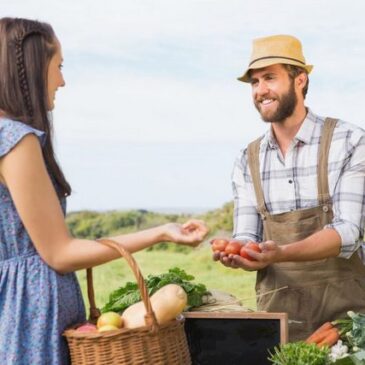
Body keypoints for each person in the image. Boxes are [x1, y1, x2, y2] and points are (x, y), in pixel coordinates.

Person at [0, 17, 208, 365]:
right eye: (58, 66)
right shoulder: (15, 140)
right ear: (33, 66)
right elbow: (59, 253)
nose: (62, 81)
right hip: (32, 317)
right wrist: (159, 233)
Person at [213, 34, 365, 341]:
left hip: (345, 322)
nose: (260, 90)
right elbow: (247, 234)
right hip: (279, 321)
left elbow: (348, 232)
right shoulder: (247, 159)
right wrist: (239, 251)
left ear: (300, 80)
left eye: (270, 78)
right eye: (254, 82)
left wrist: (280, 252)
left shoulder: (349, 141)